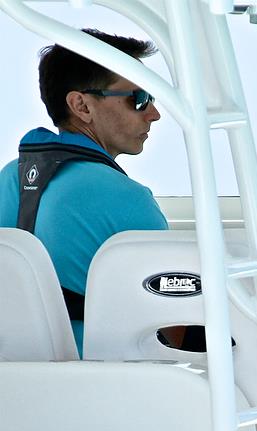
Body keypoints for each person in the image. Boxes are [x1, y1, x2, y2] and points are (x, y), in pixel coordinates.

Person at [0, 29, 167, 353]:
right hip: (106, 389)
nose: (154, 113)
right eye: (139, 98)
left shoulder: (8, 179)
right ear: (81, 105)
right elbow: (172, 327)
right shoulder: (128, 199)